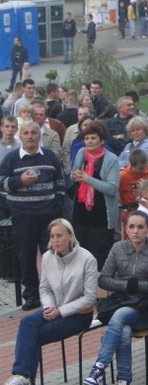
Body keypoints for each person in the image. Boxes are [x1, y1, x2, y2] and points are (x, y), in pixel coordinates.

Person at [4, 219, 97, 385]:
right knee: (27, 322)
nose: (55, 240)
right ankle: (22, 376)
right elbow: (45, 288)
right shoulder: (47, 257)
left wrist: (60, 311)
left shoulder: (87, 259)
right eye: (52, 236)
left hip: (79, 315)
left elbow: (90, 298)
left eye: (59, 236)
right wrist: (49, 307)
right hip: (54, 309)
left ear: (70, 236)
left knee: (33, 337)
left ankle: (23, 377)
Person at [82, 211, 148, 385]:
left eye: (140, 227)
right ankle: (124, 379)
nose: (136, 231)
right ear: (125, 229)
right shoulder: (117, 248)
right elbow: (103, 279)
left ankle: (98, 368)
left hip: (146, 308)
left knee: (120, 316)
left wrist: (138, 286)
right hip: (121, 302)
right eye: (131, 227)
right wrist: (126, 286)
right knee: (124, 332)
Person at [0, 121, 65, 310]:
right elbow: (1, 183)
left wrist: (57, 206)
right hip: (23, 215)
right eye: (26, 133)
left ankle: (54, 294)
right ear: (20, 136)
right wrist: (20, 181)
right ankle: (31, 296)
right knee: (26, 256)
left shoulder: (50, 156)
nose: (30, 136)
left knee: (52, 255)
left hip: (48, 215)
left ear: (39, 135)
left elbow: (60, 182)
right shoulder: (11, 158)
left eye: (34, 133)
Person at [70, 121, 120, 270]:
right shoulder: (81, 153)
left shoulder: (111, 159)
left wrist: (88, 179)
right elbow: (73, 175)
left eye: (93, 138)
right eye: (86, 138)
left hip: (101, 215)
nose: (89, 141)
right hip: (81, 211)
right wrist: (75, 176)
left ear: (102, 141)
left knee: (98, 256)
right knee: (80, 253)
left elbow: (112, 188)